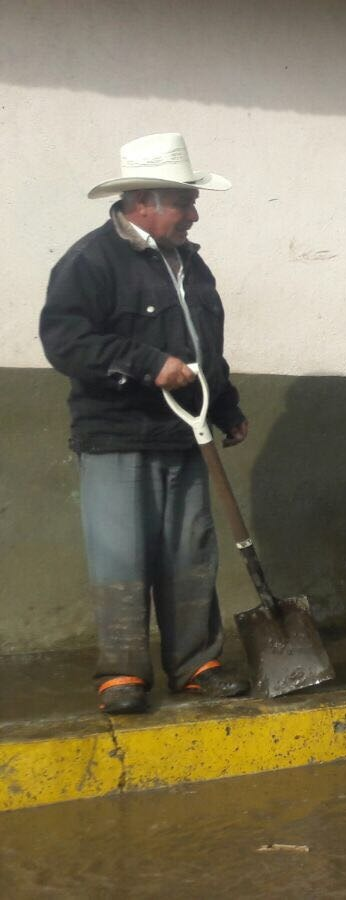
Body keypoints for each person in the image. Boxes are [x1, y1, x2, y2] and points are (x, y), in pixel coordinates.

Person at [39, 133, 251, 714]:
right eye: (183, 201)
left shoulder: (191, 264)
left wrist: (226, 407)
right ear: (143, 203)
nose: (193, 213)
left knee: (191, 553)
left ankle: (196, 664)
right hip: (116, 436)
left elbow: (206, 346)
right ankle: (122, 676)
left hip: (186, 434)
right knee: (121, 557)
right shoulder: (90, 261)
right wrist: (146, 364)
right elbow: (65, 340)